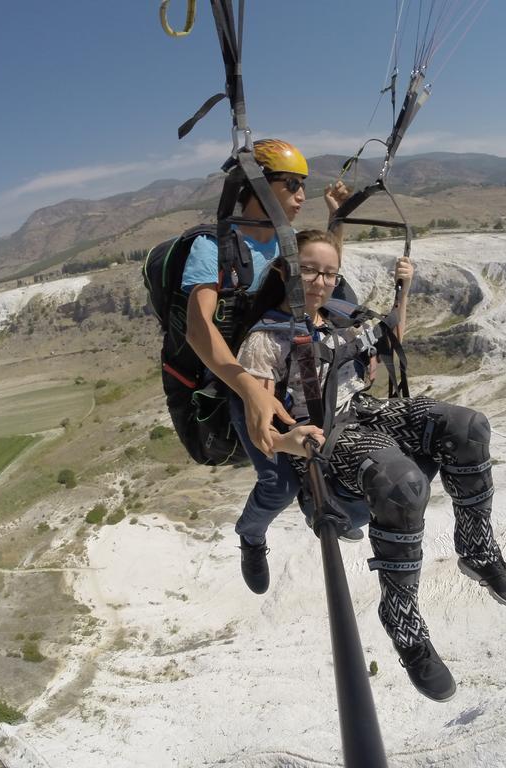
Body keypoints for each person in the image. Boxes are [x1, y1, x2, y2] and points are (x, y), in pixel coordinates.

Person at [233, 229, 506, 701]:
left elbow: (389, 337)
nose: (321, 281)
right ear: (287, 271)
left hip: (366, 411)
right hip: (327, 436)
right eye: (310, 269)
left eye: (329, 273)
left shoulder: (339, 317)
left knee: (469, 427)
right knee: (404, 484)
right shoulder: (267, 340)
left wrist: (402, 289)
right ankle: (404, 623)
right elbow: (261, 426)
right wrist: (289, 440)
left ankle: (477, 549)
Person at [181, 139, 355, 594]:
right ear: (256, 184)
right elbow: (199, 331)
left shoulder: (284, 243)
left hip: (291, 365)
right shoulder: (215, 247)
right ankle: (251, 535)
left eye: (303, 187)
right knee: (277, 484)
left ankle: (324, 504)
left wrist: (334, 217)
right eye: (291, 185)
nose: (300, 196)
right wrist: (253, 392)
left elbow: (319, 272)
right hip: (244, 376)